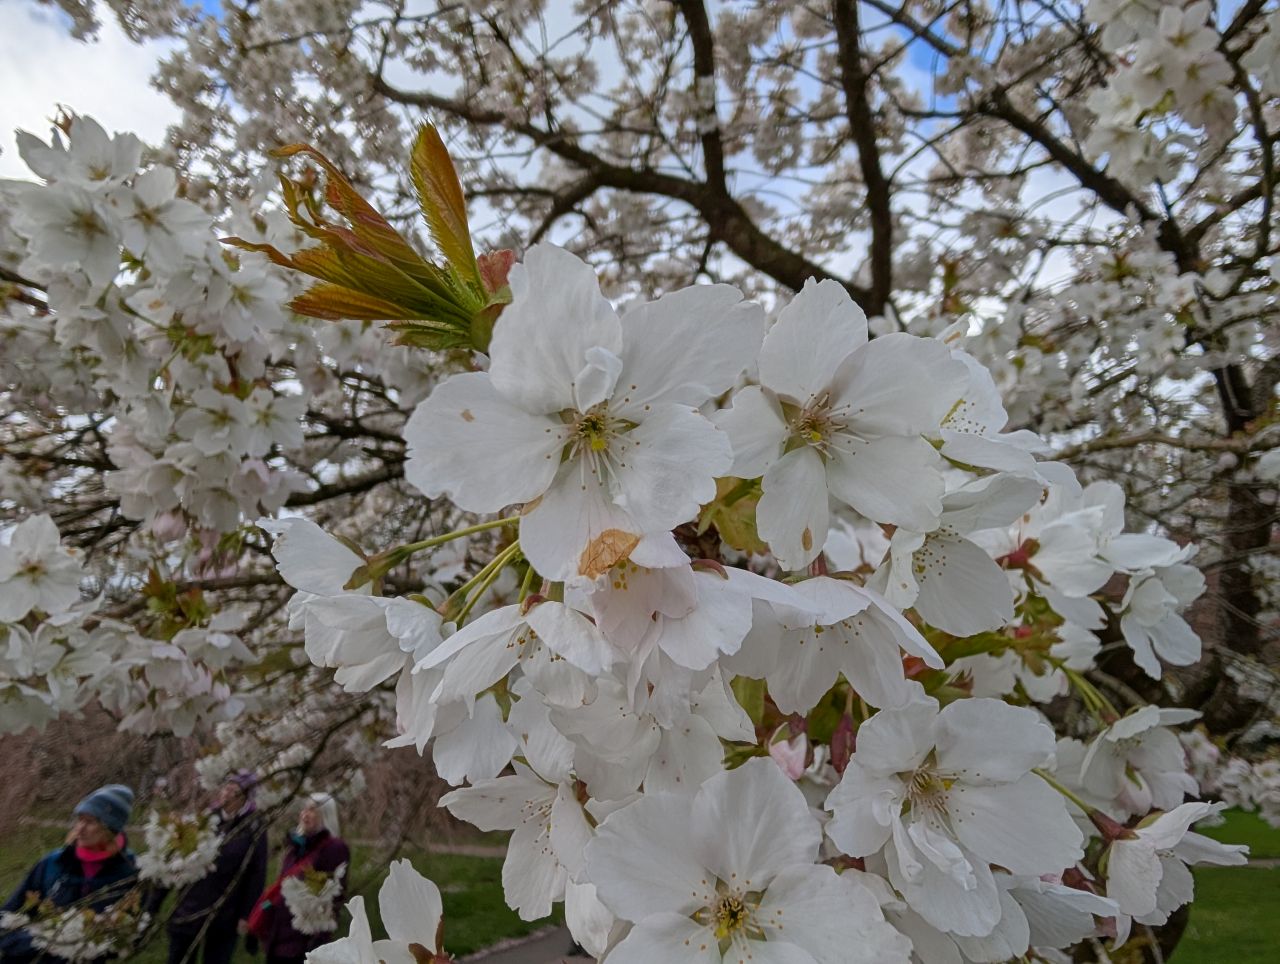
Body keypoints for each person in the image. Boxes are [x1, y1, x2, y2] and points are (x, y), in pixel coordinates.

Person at [0, 785, 141, 963]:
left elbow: (130, 936)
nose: (80, 829)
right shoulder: (52, 864)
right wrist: (41, 943)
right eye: (79, 820)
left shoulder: (129, 873)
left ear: (110, 829)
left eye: (90, 822)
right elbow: (5, 919)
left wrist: (91, 943)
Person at [166, 771, 269, 964]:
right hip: (191, 904)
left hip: (225, 910)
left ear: (245, 798)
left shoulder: (253, 826)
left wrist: (246, 914)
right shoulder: (206, 819)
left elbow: (256, 874)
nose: (227, 794)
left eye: (234, 791)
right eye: (226, 788)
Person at [248, 793, 349, 964]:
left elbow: (333, 897)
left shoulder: (333, 849)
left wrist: (318, 940)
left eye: (313, 810)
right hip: (278, 937)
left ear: (325, 814)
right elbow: (279, 892)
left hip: (302, 941)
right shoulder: (296, 848)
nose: (305, 814)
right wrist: (258, 924)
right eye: (304, 809)